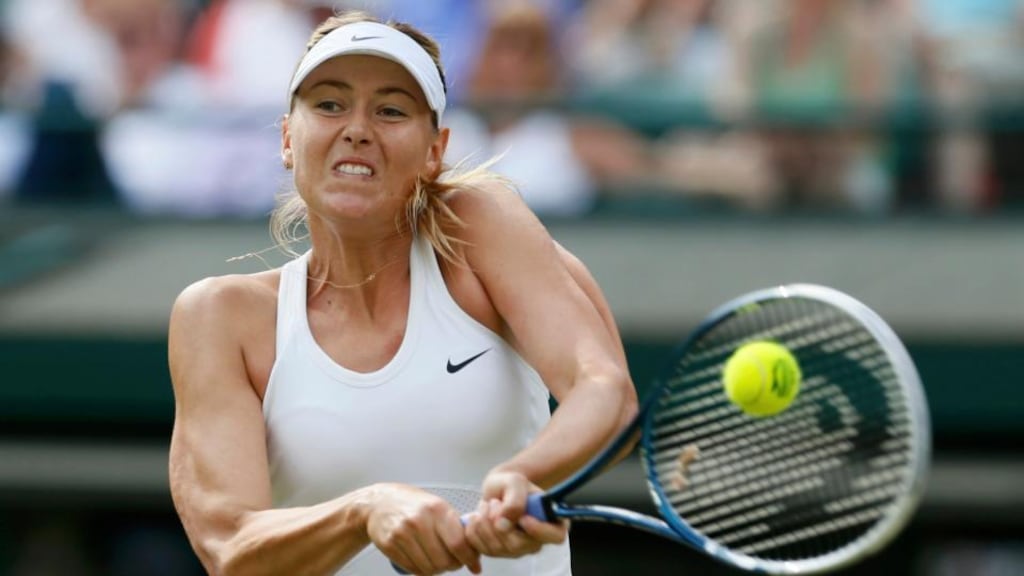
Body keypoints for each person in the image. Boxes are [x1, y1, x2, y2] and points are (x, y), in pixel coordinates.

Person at [167, 10, 638, 576]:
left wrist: (524, 476)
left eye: (390, 110)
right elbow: (231, 548)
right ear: (289, 138)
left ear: (435, 150)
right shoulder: (219, 316)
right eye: (330, 104)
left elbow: (605, 392)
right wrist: (365, 511)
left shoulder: (480, 227)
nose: (358, 128)